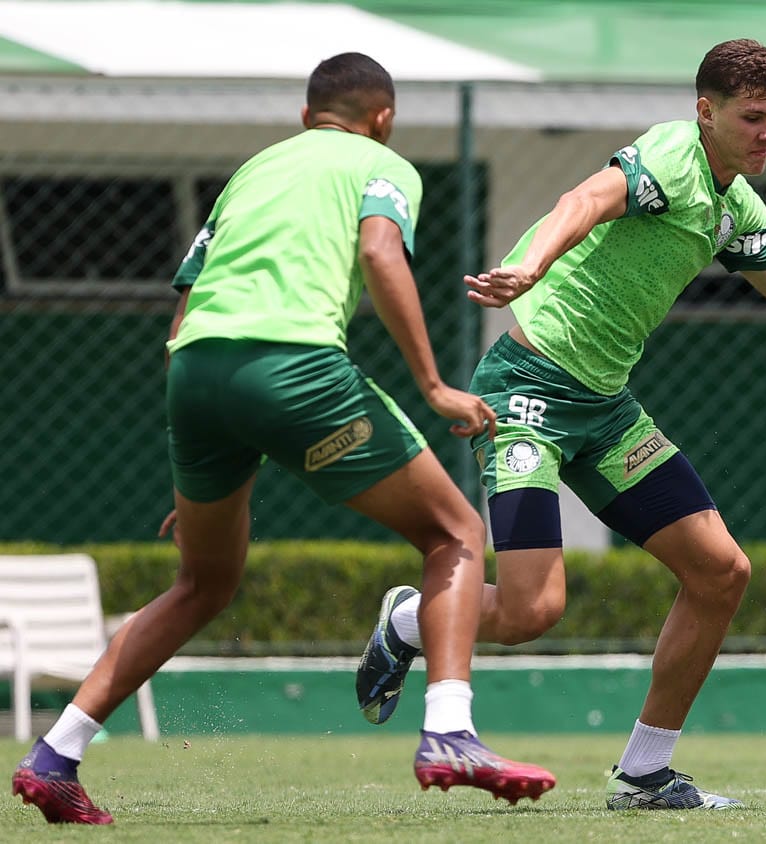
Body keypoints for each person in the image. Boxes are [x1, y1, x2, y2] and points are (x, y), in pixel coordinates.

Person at [9, 53, 554, 826]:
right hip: (294, 362)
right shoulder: (381, 162)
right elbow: (378, 251)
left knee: (203, 581)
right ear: (384, 118)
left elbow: (187, 309)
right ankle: (450, 732)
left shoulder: (253, 171)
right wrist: (433, 386)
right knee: (455, 532)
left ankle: (55, 755)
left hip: (194, 373)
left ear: (306, 117)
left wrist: (199, 461)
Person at [354, 39, 766, 811]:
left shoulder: (735, 208)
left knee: (722, 573)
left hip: (605, 409)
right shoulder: (671, 155)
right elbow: (584, 202)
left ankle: (644, 774)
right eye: (751, 117)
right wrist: (532, 267)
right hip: (528, 388)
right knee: (532, 612)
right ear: (706, 112)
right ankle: (407, 619)